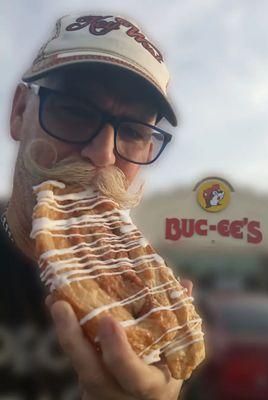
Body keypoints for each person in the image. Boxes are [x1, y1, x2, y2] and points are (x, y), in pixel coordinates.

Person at [0, 13, 193, 400]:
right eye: (73, 110)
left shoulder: (151, 305)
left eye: (135, 132)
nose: (103, 155)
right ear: (20, 111)